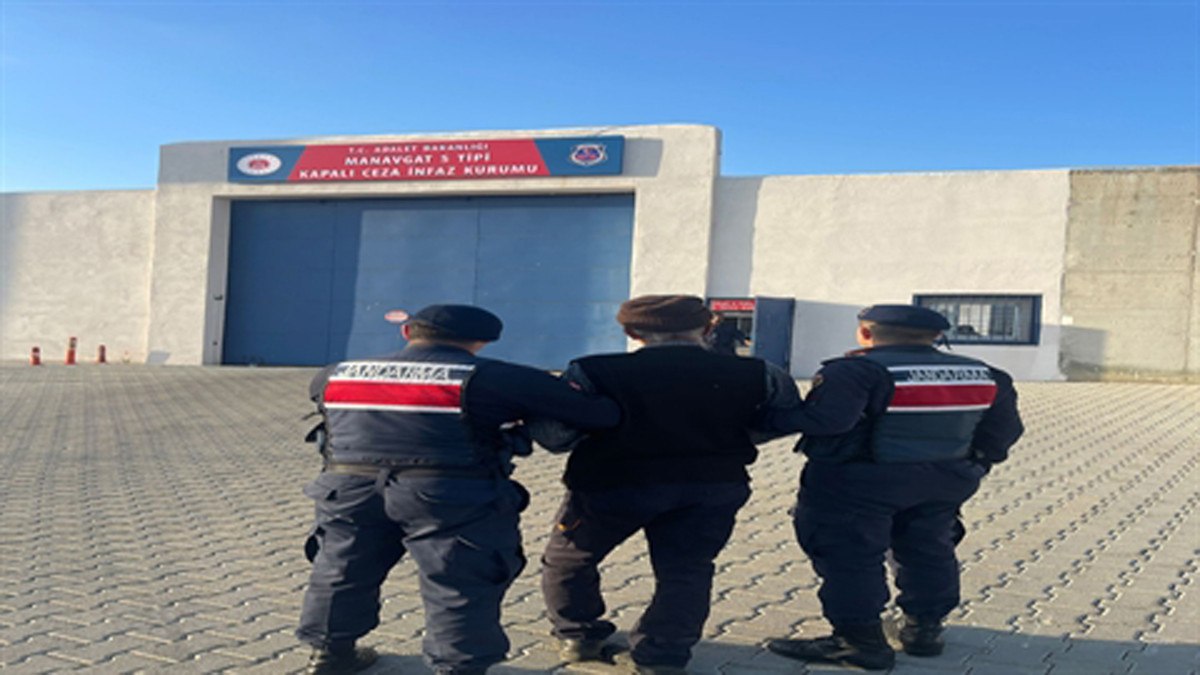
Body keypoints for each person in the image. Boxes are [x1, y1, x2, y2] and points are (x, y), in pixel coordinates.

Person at [296, 304, 621, 675]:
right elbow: (598, 414)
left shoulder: (335, 373)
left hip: (346, 490)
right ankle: (459, 668)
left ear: (407, 333)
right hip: (449, 493)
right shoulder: (495, 377)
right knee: (460, 583)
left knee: (341, 569)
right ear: (483, 341)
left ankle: (329, 655)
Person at [531, 294, 802, 675]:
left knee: (570, 559)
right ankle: (662, 656)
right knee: (686, 570)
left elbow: (556, 437)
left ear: (631, 332)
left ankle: (578, 635)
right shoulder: (760, 372)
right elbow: (783, 420)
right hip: (713, 485)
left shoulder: (592, 371)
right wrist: (729, 438)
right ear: (708, 327)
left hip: (610, 485)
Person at [761, 304, 1024, 671]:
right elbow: (1004, 432)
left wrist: (768, 415)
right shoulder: (987, 374)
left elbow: (828, 421)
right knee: (929, 548)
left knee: (850, 556)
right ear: (936, 336)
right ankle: (923, 629)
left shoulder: (855, 371)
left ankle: (859, 643)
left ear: (866, 333)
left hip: (858, 483)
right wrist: (974, 466)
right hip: (945, 481)